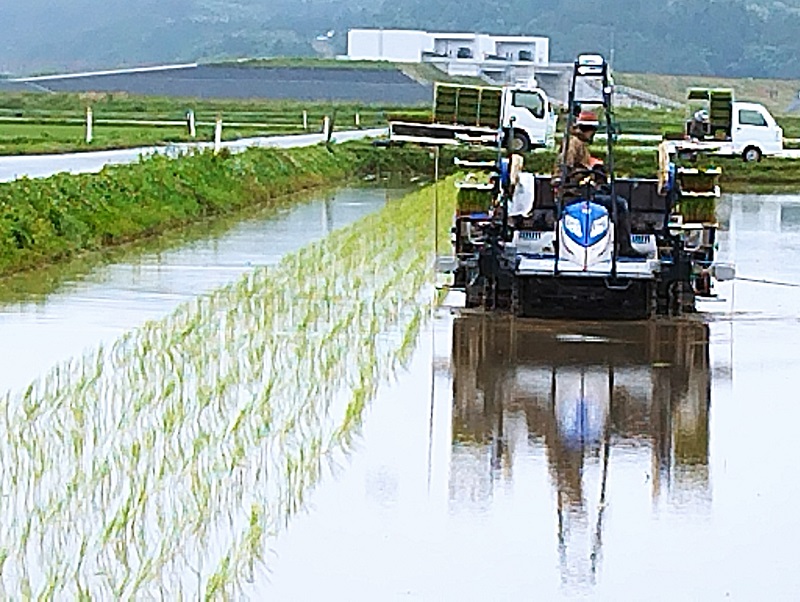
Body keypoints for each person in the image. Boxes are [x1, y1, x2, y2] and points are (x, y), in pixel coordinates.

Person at [554, 110, 646, 259]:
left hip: (581, 190)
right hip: (577, 194)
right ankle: (624, 247)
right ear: (588, 130)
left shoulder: (578, 143)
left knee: (609, 191)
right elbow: (565, 167)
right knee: (620, 205)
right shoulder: (572, 144)